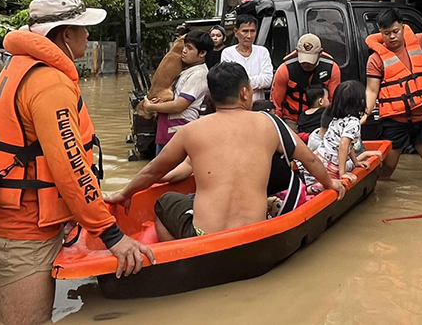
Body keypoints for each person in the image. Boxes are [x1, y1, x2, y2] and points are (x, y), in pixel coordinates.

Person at [0, 0, 153, 325]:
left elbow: (35, 155)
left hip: (3, 219)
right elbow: (70, 166)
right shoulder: (49, 83)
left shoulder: (17, 67)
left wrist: (76, 208)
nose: (88, 35)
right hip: (25, 231)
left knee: (1, 311)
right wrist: (111, 235)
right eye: (83, 28)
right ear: (66, 34)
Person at [106, 62, 347, 241]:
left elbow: (152, 171)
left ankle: (181, 256)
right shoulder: (270, 123)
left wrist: (125, 193)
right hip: (254, 231)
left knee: (165, 202)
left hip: (205, 234)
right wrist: (330, 184)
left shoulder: (191, 130)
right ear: (244, 92)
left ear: (212, 95)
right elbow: (311, 161)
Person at [364, 7, 422, 180]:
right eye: (387, 33)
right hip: (395, 122)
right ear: (380, 32)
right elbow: (371, 90)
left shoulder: (417, 41)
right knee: (384, 172)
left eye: (395, 31)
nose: (392, 37)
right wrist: (365, 113)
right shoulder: (375, 59)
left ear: (403, 27)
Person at [143, 30, 212, 156]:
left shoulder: (198, 74)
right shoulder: (187, 70)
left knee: (169, 167)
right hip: (169, 129)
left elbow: (180, 105)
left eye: (189, 48)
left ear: (202, 53)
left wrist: (150, 107)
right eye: (184, 46)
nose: (184, 51)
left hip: (179, 129)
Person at [311, 81, 382, 190]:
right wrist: (342, 172)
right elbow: (344, 144)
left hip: (319, 158)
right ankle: (314, 189)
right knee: (331, 188)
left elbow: (348, 145)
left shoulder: (337, 119)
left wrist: (355, 162)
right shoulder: (353, 122)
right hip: (330, 166)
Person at [271, 33, 341, 131]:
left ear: (320, 53)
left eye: (310, 60)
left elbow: (334, 100)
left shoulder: (332, 69)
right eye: (303, 60)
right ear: (297, 52)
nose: (306, 64)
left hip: (320, 119)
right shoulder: (284, 69)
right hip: (292, 120)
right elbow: (276, 103)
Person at [220, 14, 273, 102]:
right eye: (245, 31)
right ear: (236, 32)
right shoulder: (228, 53)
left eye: (252, 31)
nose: (249, 36)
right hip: (236, 105)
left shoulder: (262, 52)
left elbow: (268, 80)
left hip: (257, 105)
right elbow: (229, 81)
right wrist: (257, 81)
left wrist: (242, 82)